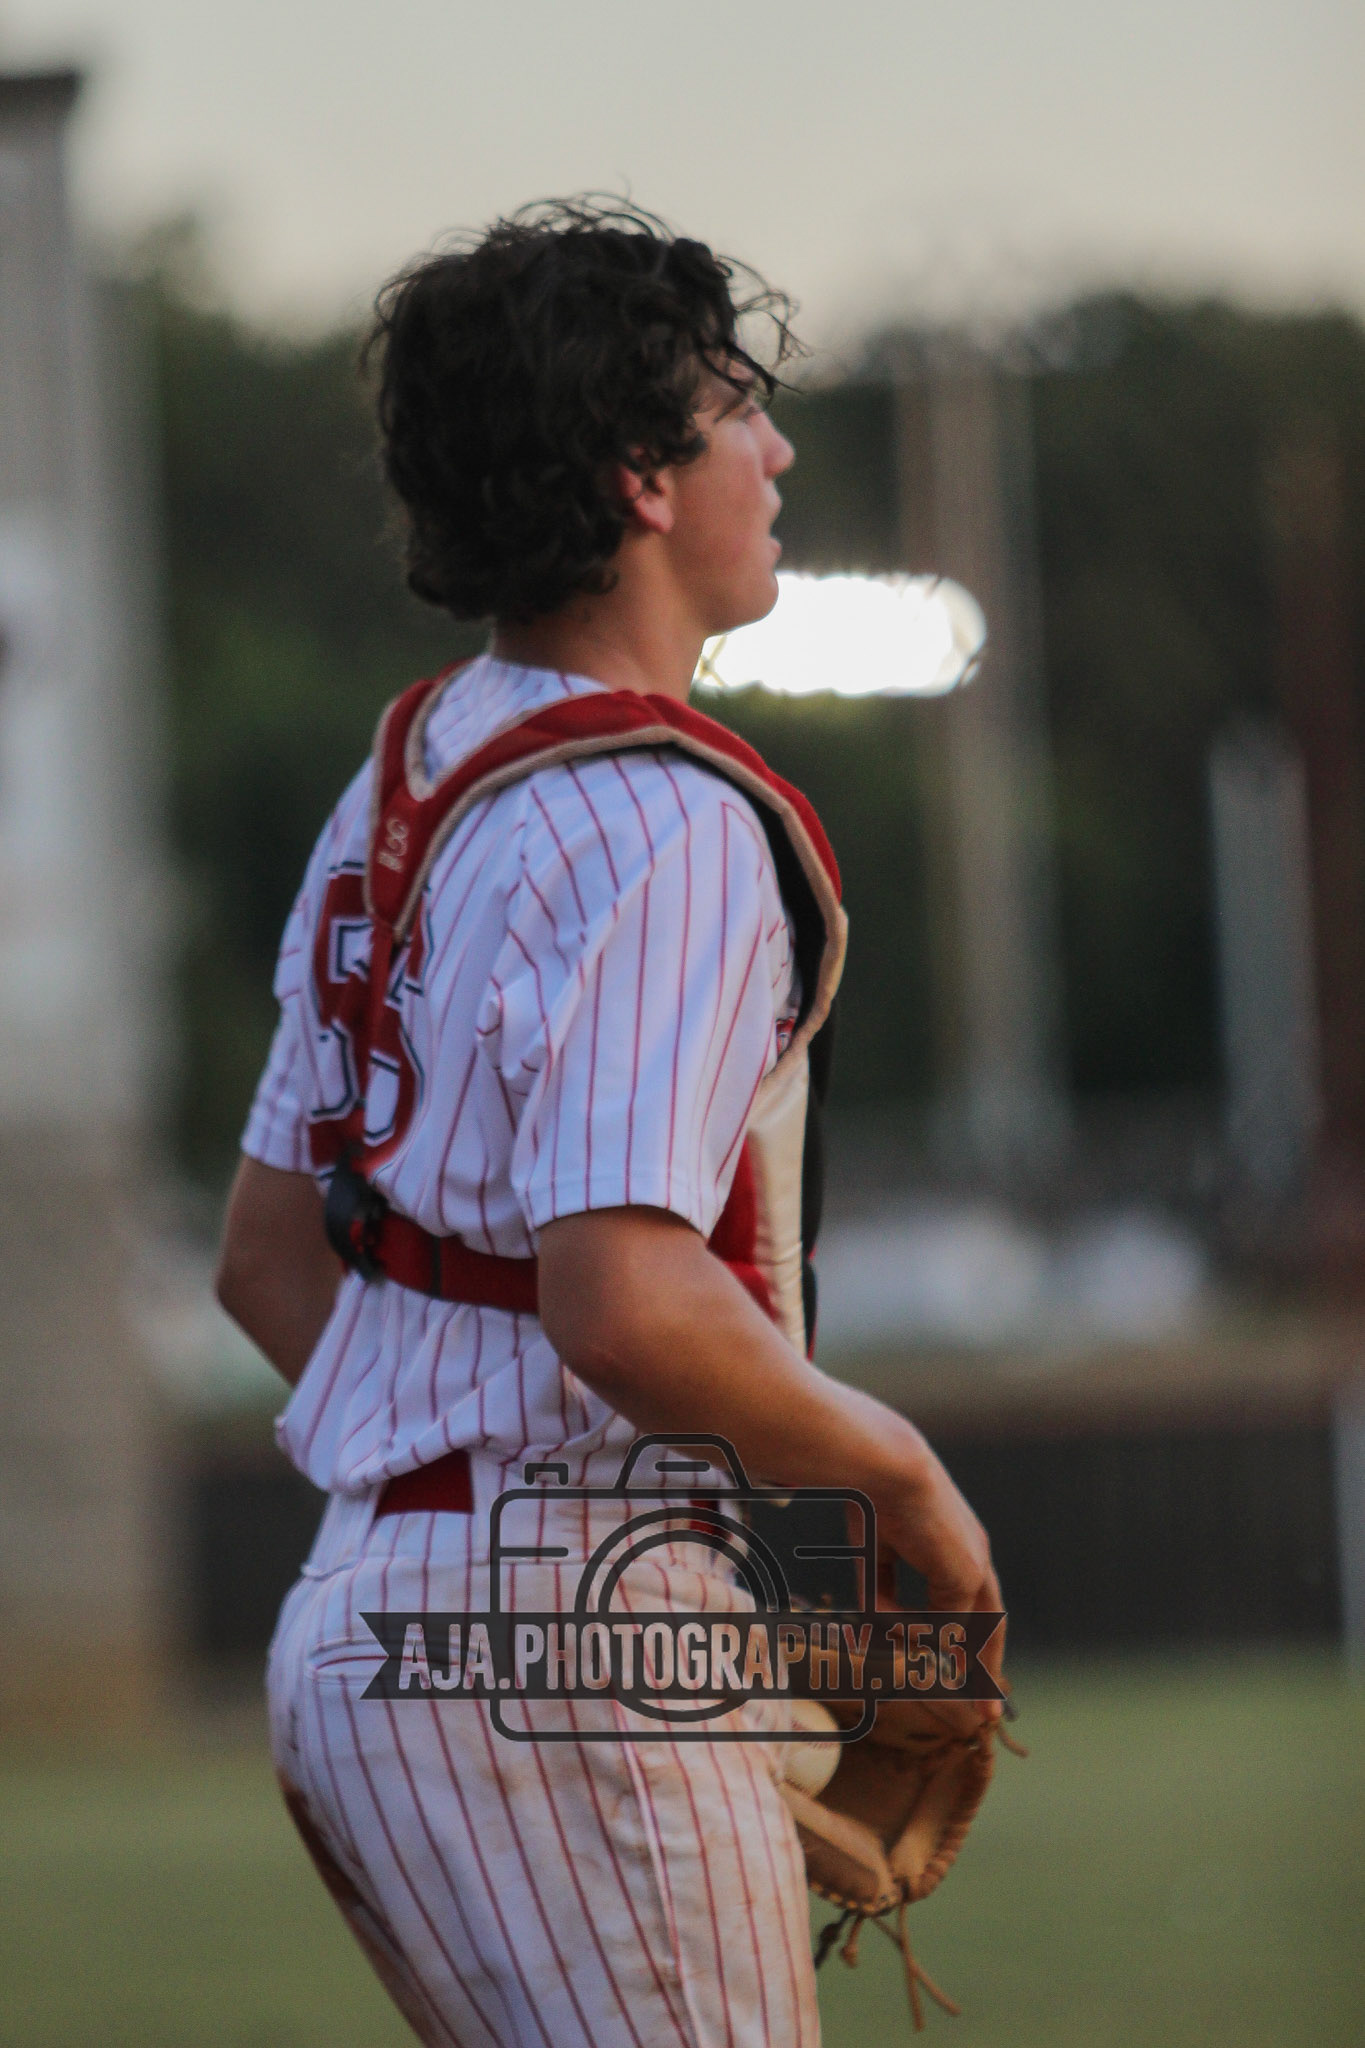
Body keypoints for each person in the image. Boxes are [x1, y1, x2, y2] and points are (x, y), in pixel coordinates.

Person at [216, 198, 1001, 2048]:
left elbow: (266, 1264)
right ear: (638, 478)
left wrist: (456, 1521)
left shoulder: (406, 776)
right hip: (569, 1632)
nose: (774, 451)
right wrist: (897, 1484)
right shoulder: (669, 820)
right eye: (735, 408)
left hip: (359, 1625)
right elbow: (625, 1307)